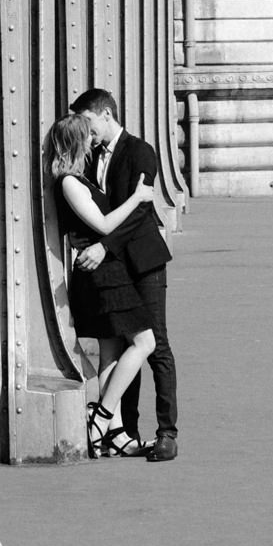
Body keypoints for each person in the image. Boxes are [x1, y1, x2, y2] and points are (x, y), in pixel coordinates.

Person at [70, 87, 179, 463]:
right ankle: (125, 430)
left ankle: (166, 433)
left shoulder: (140, 151)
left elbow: (137, 213)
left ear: (105, 114)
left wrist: (102, 248)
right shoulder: (89, 157)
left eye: (88, 122)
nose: (87, 132)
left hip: (143, 262)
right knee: (123, 344)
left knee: (156, 346)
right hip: (115, 269)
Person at [46, 112, 156, 459]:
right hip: (102, 275)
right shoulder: (69, 183)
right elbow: (105, 225)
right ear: (76, 142)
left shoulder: (79, 179)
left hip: (104, 271)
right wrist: (137, 198)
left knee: (110, 351)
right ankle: (101, 416)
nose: (94, 141)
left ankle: (117, 434)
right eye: (87, 136)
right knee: (144, 342)